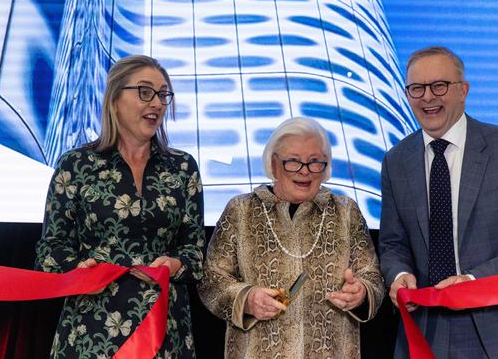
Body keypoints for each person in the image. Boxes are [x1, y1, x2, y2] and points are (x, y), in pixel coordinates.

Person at [378, 46, 498, 359]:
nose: (427, 97)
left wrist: (474, 283)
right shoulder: (395, 161)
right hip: (423, 331)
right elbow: (393, 243)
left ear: (463, 90)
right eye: (416, 88)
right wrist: (398, 275)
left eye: (439, 86)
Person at [35, 55, 205, 358]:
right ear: (114, 99)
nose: (157, 103)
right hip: (92, 330)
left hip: (165, 330)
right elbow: (50, 250)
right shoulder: (76, 164)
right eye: (145, 92)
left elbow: (195, 250)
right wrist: (78, 269)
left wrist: (175, 264)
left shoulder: (183, 167)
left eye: (163, 94)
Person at [197, 117, 384, 358]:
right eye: (294, 162)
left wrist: (362, 292)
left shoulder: (345, 211)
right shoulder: (241, 211)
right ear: (273, 164)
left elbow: (372, 276)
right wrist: (247, 299)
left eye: (315, 162)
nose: (305, 171)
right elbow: (211, 280)